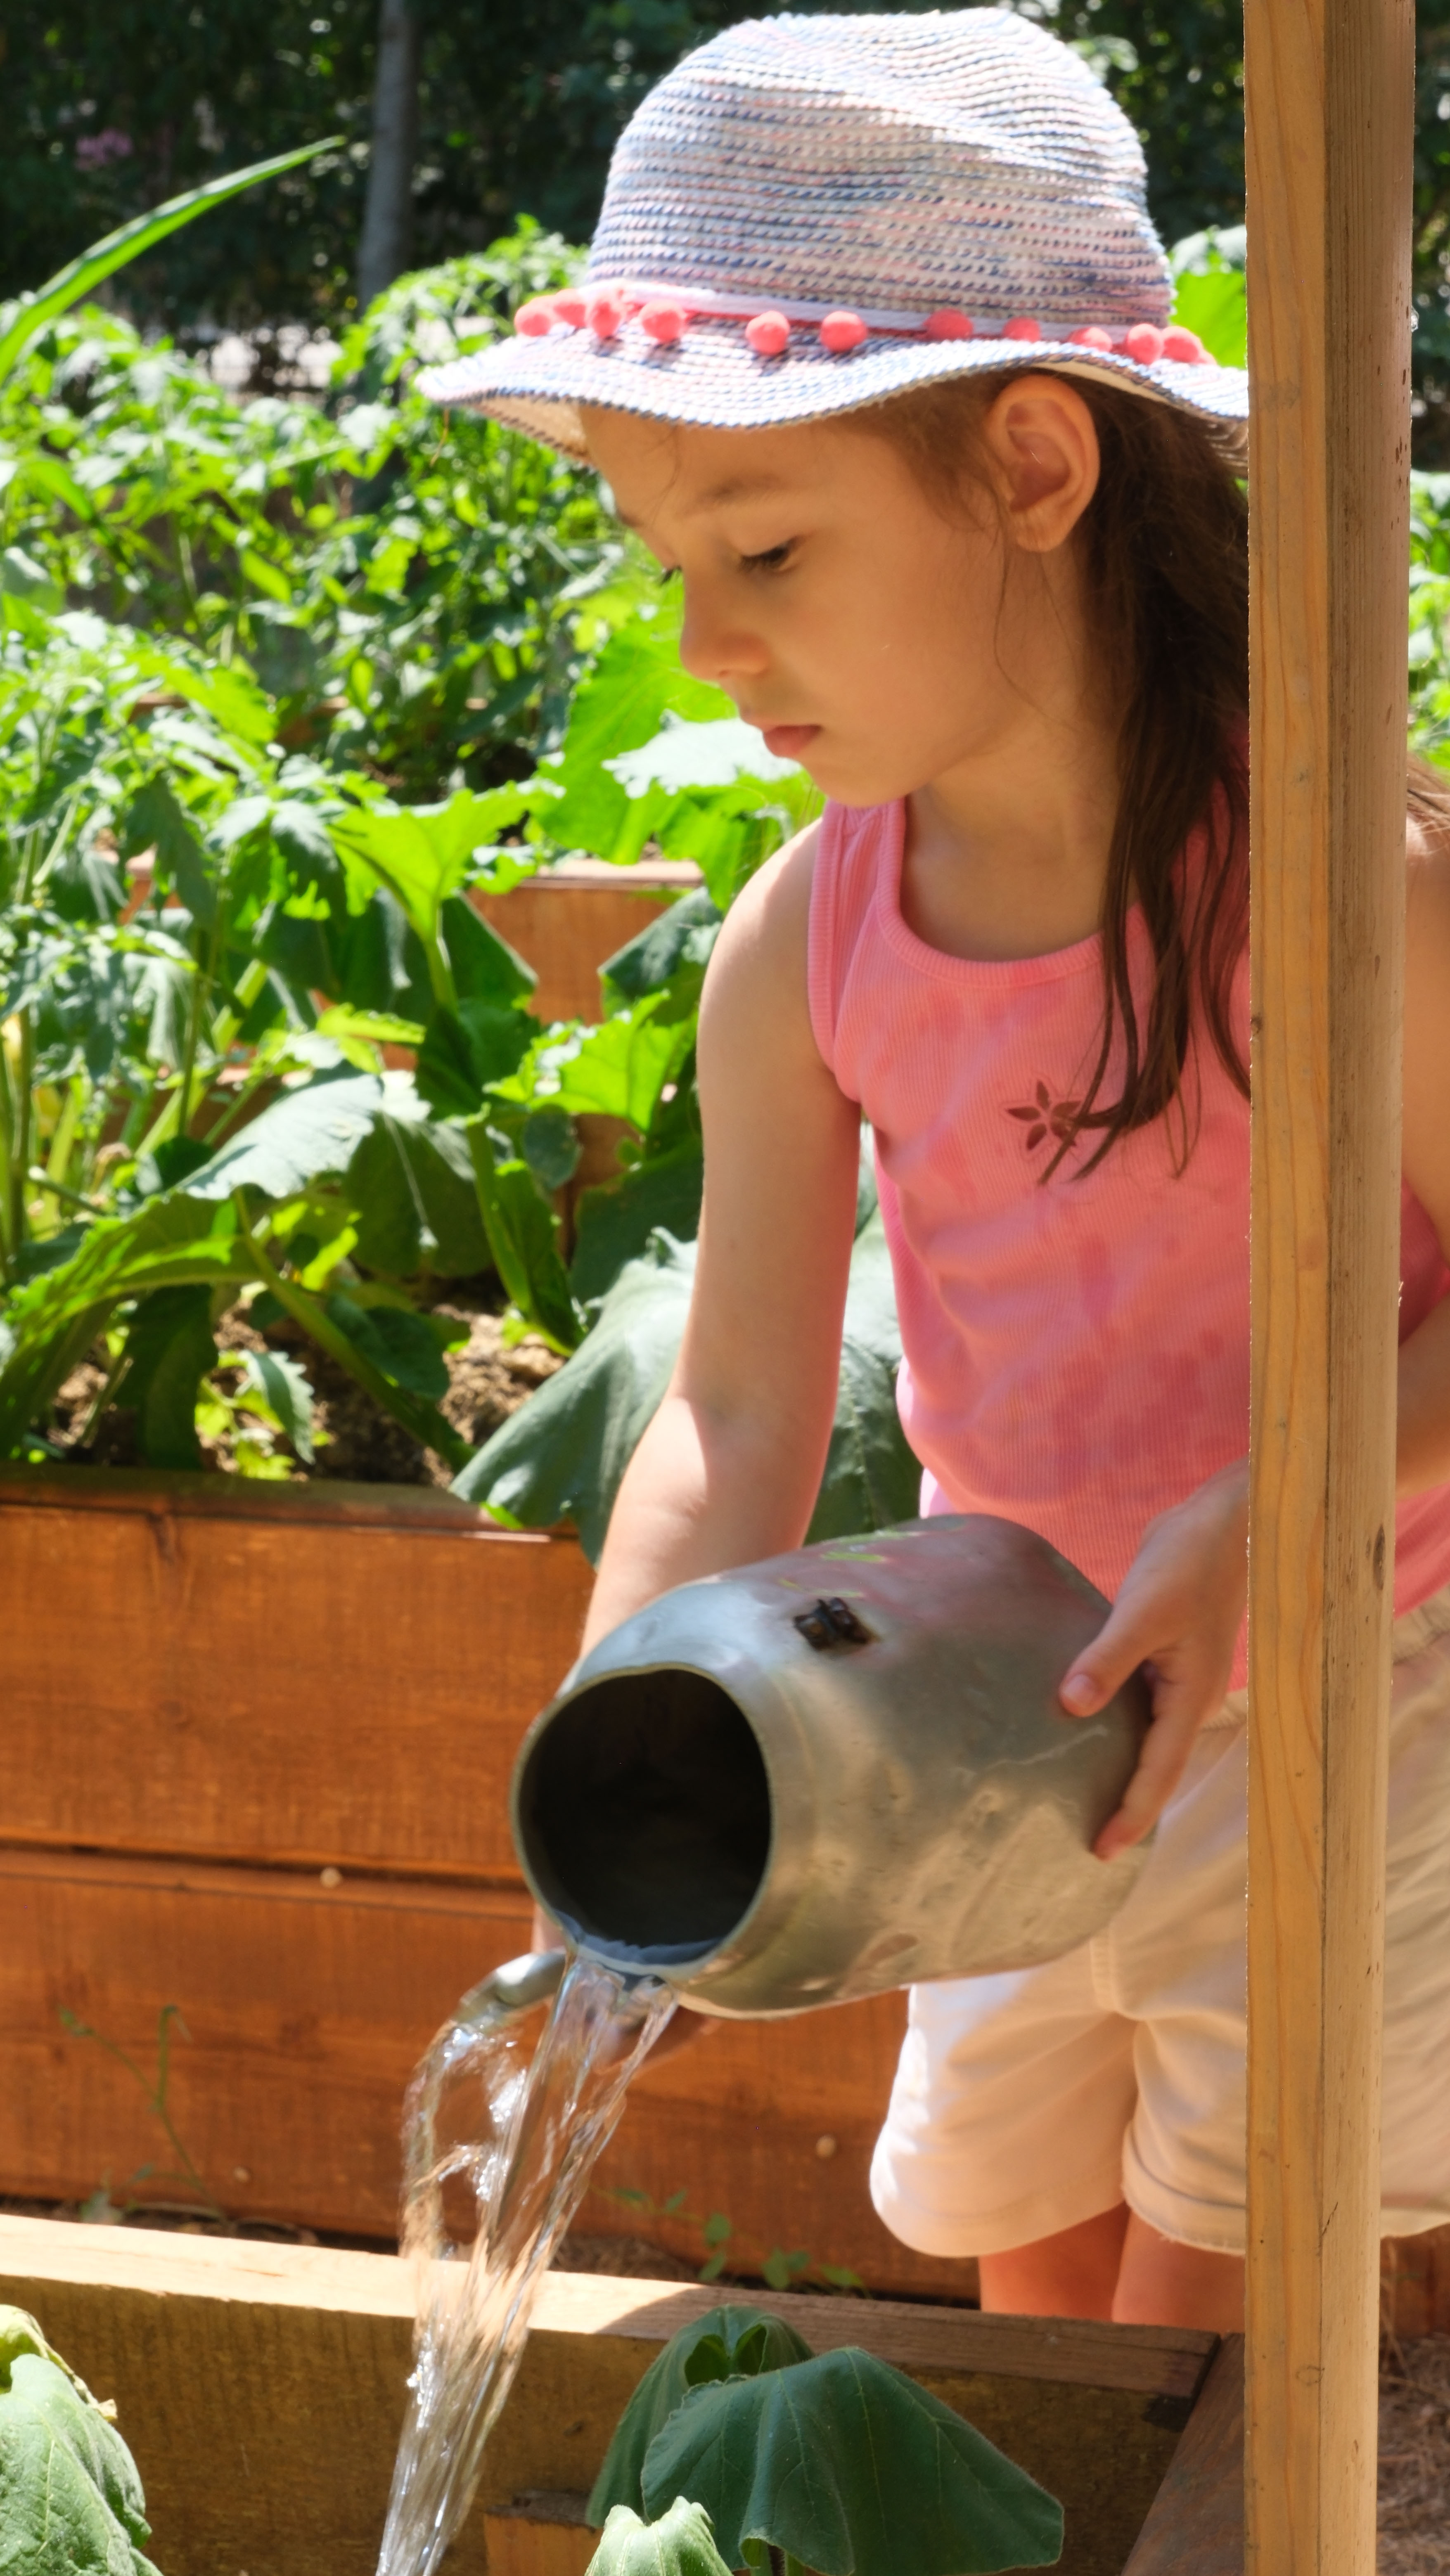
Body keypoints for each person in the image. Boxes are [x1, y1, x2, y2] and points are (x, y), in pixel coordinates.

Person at [424, 10, 1450, 2331]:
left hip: (1348, 1698)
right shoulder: (804, 942)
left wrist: (1278, 1508)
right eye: (665, 559)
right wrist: (626, 1713)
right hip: (997, 1714)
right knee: (1033, 2335)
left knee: (1213, 2374)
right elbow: (734, 1411)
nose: (704, 640)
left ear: (1033, 462)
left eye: (768, 545)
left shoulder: (1333, 888)